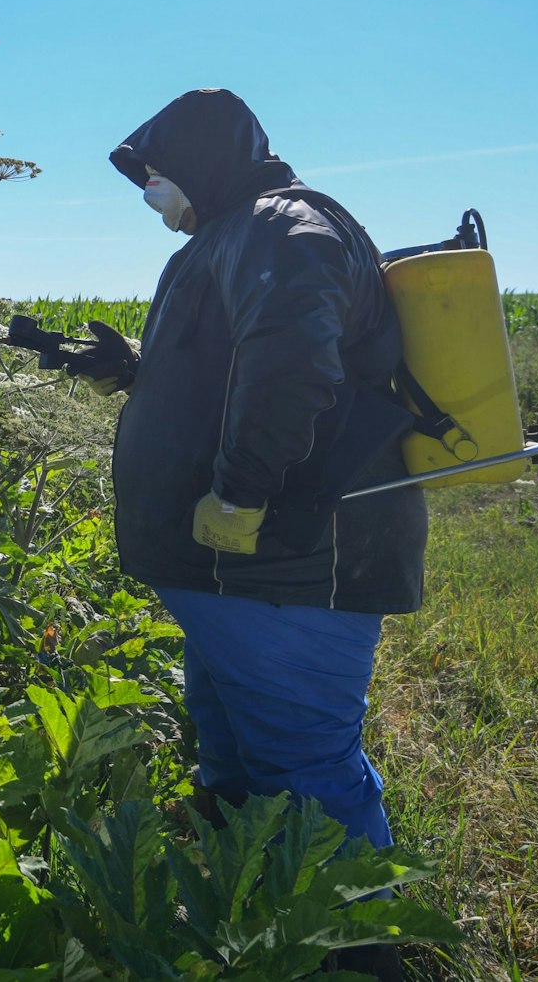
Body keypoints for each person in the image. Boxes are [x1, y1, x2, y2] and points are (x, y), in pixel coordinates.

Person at [68, 88, 427, 981]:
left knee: (305, 766)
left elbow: (293, 359)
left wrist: (240, 491)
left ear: (199, 161)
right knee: (236, 748)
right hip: (228, 577)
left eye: (155, 175)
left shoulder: (283, 225)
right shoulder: (227, 237)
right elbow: (231, 364)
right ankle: (253, 917)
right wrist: (134, 370)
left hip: (285, 566)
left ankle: (355, 961)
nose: (151, 193)